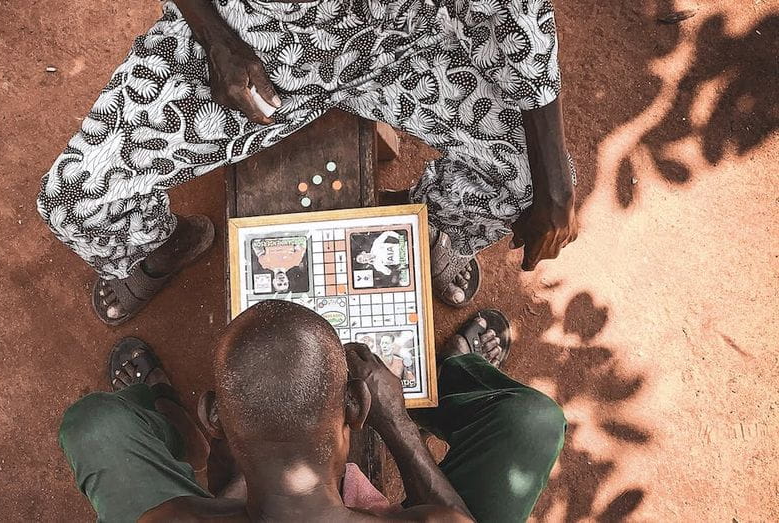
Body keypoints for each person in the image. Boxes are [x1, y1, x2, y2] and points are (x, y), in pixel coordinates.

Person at [37, 0, 579, 325]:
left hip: (400, 43)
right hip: (255, 47)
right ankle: (165, 242)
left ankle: (426, 229)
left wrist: (555, 188)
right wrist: (216, 38)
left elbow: (515, 16)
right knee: (73, 198)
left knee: (529, 180)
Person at [58, 300, 565, 521]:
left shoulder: (171, 517)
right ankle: (449, 377)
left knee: (95, 426)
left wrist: (249, 453)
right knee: (533, 422)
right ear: (356, 408)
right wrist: (397, 423)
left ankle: (174, 419)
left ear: (214, 415)